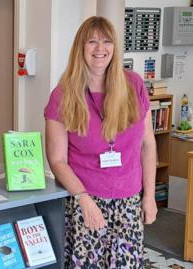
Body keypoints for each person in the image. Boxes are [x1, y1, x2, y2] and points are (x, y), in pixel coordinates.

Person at [44, 16, 157, 268]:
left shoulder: (134, 84)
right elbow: (57, 159)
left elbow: (148, 144)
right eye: (92, 42)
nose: (100, 48)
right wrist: (83, 198)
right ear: (80, 48)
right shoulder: (63, 95)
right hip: (86, 201)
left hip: (129, 201)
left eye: (107, 41)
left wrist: (149, 196)